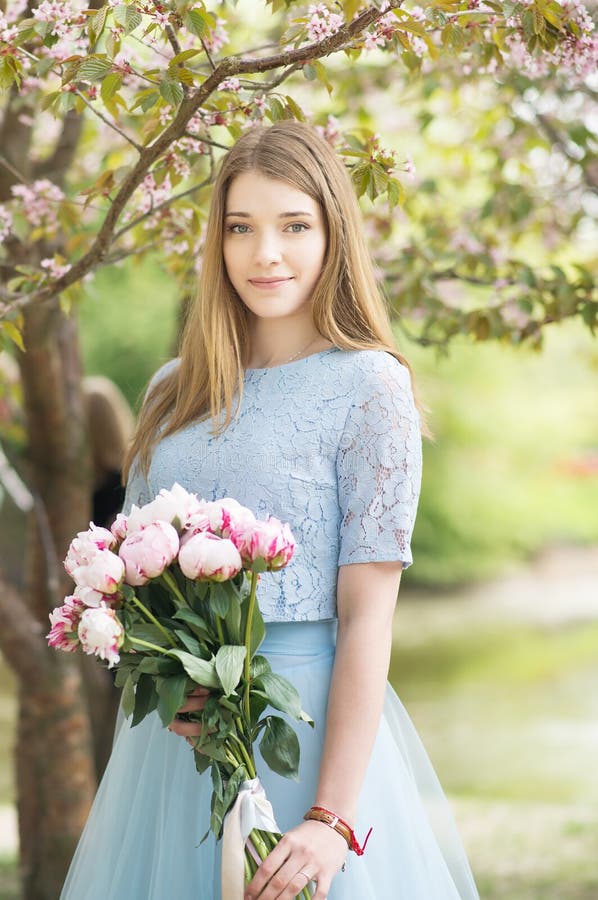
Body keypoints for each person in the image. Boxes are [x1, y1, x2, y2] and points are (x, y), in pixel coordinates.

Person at [60, 120, 480, 900]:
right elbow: (139, 583)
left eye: (294, 226)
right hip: (173, 743)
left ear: (333, 234)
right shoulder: (170, 390)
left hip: (306, 732)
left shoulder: (369, 386)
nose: (266, 254)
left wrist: (331, 818)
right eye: (241, 228)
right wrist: (158, 667)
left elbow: (367, 618)